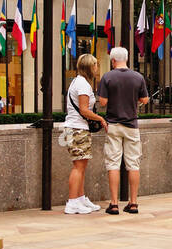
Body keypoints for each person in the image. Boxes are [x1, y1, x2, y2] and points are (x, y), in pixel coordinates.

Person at [96, 46, 149, 215]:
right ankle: (133, 203)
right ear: (126, 59)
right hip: (132, 125)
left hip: (113, 124)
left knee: (113, 164)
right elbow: (145, 99)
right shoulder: (138, 77)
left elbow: (102, 102)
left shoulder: (107, 77)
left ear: (113, 61)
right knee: (133, 164)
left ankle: (113, 204)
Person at [63, 53, 107, 215]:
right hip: (77, 129)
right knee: (78, 166)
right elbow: (84, 110)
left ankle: (80, 198)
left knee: (81, 165)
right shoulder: (82, 84)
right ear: (90, 67)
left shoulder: (79, 82)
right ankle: (73, 202)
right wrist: (100, 118)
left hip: (77, 128)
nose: (97, 68)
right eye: (95, 65)